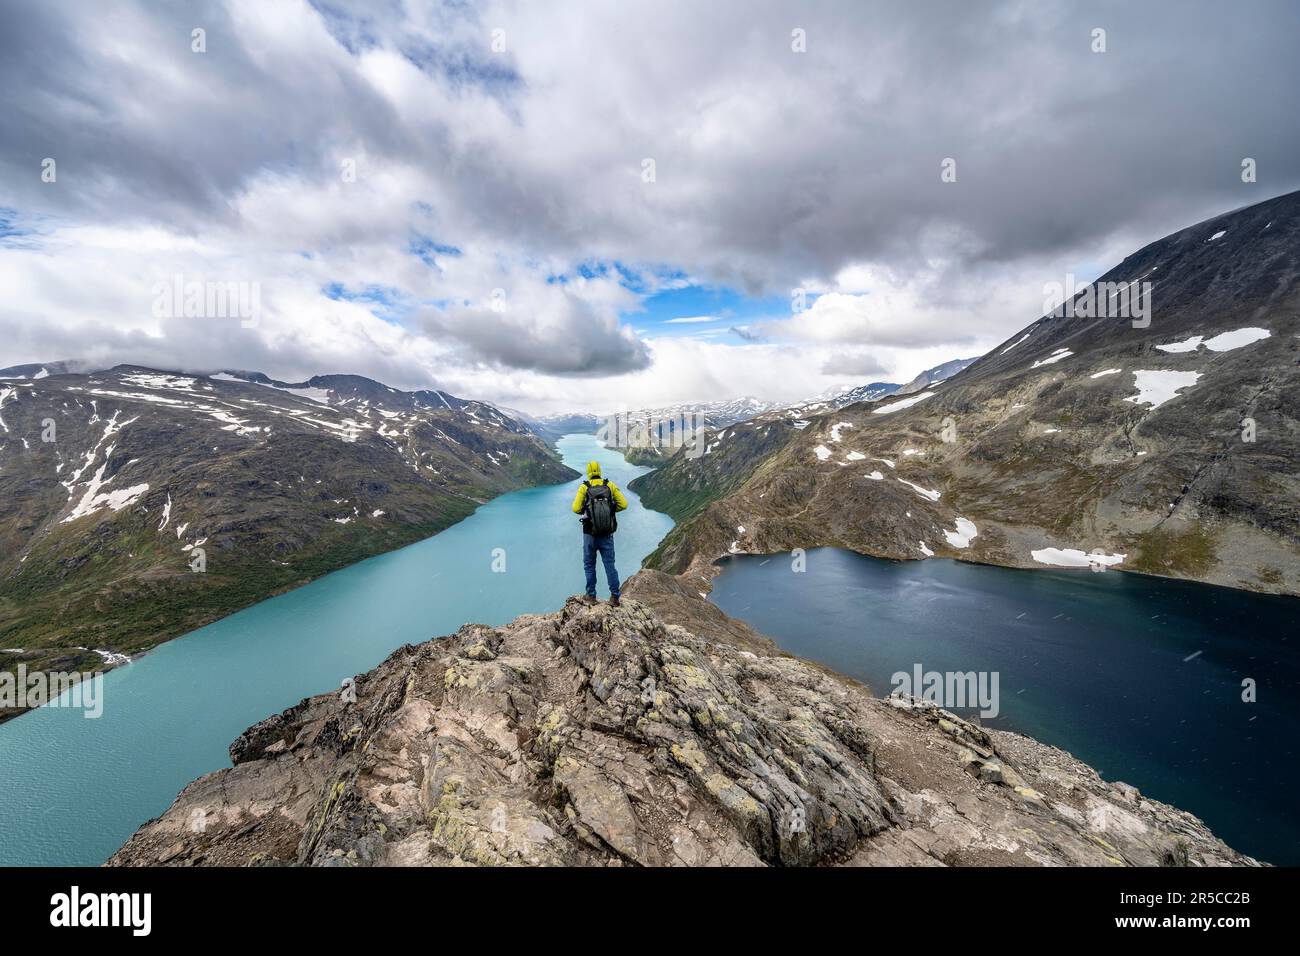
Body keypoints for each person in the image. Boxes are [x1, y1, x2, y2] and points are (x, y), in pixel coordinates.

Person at [571, 460, 628, 606]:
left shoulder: (584, 487)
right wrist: (610, 509)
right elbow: (624, 504)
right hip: (607, 534)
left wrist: (588, 510)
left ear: (589, 472)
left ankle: (591, 595)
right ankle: (615, 597)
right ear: (599, 471)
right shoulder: (609, 485)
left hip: (589, 534)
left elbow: (576, 509)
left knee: (589, 565)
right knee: (610, 565)